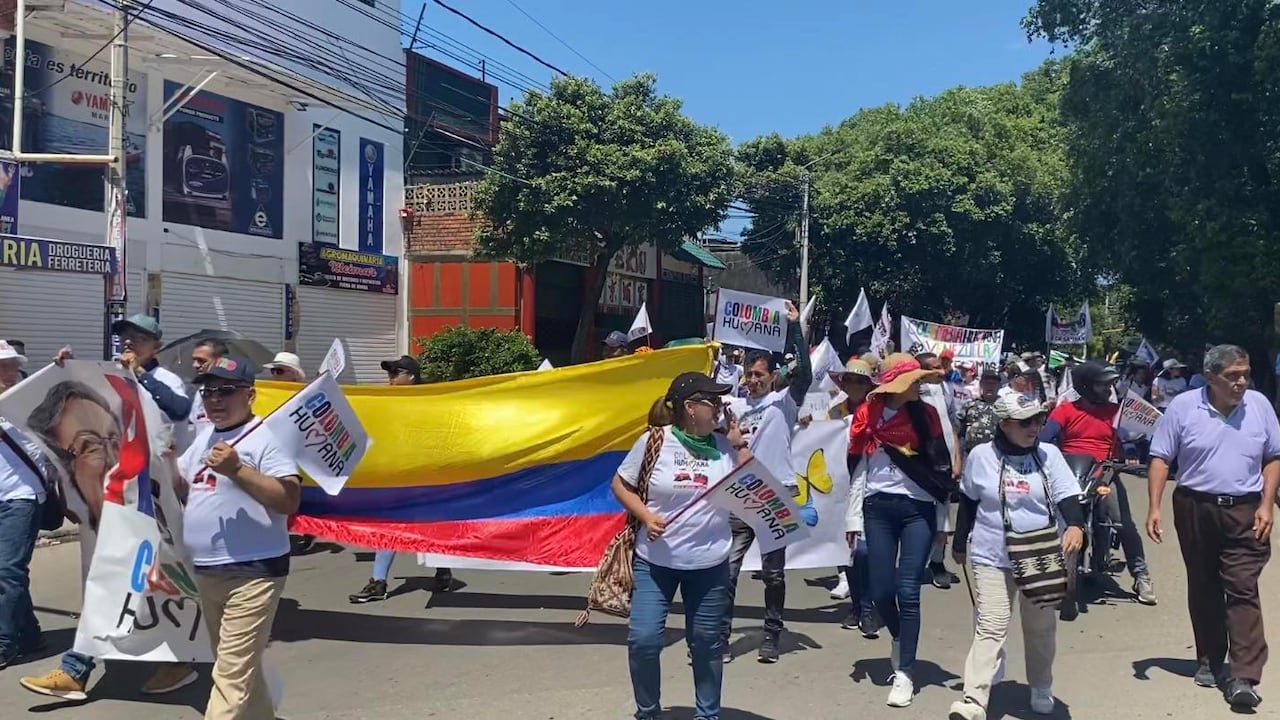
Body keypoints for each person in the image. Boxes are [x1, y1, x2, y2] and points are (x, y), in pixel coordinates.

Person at [1145, 344, 1280, 709]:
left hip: (1245, 510)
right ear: (1210, 377)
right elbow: (1161, 457)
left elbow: (1272, 457)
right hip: (1194, 506)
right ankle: (1209, 657)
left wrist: (1267, 504)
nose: (1241, 382)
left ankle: (1244, 676)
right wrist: (1154, 506)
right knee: (1203, 583)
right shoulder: (1184, 407)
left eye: (1245, 374)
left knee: (1241, 587)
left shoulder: (1260, 406)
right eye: (1232, 375)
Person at [615, 371, 749, 720]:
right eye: (713, 401)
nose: (720, 408)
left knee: (706, 645)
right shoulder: (653, 441)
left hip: (709, 565)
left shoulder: (724, 445)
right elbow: (620, 484)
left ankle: (707, 715)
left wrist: (739, 444)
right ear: (690, 407)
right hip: (654, 562)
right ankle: (648, 713)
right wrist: (646, 516)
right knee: (643, 640)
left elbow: (753, 488)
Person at [173, 355, 299, 718]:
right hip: (207, 571)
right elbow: (182, 485)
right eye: (208, 390)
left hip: (254, 573)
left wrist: (237, 470)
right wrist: (164, 460)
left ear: (250, 395)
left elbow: (288, 499)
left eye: (226, 391)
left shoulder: (266, 438)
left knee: (229, 676)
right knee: (239, 668)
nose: (215, 399)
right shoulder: (205, 437)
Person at [948, 392, 1086, 720]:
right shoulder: (981, 456)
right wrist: (958, 542)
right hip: (991, 553)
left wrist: (1076, 526)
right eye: (1026, 422)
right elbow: (968, 501)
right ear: (1005, 424)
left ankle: (1040, 685)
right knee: (991, 624)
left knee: (1040, 627)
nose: (1035, 427)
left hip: (1040, 553)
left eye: (1039, 420)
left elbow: (1068, 495)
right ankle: (974, 699)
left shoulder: (1049, 455)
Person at [845, 353, 949, 707]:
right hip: (877, 509)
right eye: (915, 380)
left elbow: (940, 472)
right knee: (878, 590)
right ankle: (900, 638)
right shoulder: (866, 415)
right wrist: (851, 519)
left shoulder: (927, 415)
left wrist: (944, 524)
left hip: (918, 510)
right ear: (897, 384)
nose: (920, 385)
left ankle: (904, 671)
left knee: (908, 591)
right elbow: (857, 468)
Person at [722, 300, 811, 664]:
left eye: (760, 374)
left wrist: (794, 329)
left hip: (776, 493)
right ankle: (721, 637)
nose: (754, 380)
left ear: (772, 375)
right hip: (741, 495)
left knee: (773, 574)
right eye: (749, 374)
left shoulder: (783, 402)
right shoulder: (735, 408)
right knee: (726, 571)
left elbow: (803, 374)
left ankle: (771, 635)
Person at [1041, 361, 1157, 609]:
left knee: (1122, 523)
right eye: (1102, 384)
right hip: (1067, 473)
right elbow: (1044, 438)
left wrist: (1130, 452)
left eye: (1109, 384)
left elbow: (1130, 436)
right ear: (1085, 386)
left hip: (1105, 473)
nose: (1107, 388)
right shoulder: (1064, 411)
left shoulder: (1117, 412)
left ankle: (1141, 577)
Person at [350, 356, 451, 602]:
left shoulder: (430, 402)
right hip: (397, 476)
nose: (391, 379)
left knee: (430, 528)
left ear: (411, 377)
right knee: (389, 525)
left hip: (426, 476)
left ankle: (443, 568)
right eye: (390, 374)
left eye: (396, 374)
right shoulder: (388, 402)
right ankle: (379, 582)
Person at [0, 340, 44, 670]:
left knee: (7, 571)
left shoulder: (26, 402)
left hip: (22, 497)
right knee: (9, 572)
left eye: (12, 366)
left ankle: (5, 642)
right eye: (3, 366)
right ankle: (30, 636)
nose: (10, 373)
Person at [828, 358, 880, 637]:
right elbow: (822, 444)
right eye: (850, 380)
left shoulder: (877, 412)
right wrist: (808, 424)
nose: (855, 385)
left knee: (865, 551)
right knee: (849, 552)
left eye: (861, 380)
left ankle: (868, 606)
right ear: (843, 383)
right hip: (842, 488)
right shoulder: (834, 413)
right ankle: (857, 606)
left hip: (872, 487)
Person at [915, 352, 962, 590]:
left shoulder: (946, 390)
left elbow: (952, 427)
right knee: (921, 518)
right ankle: (915, 565)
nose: (941, 372)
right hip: (919, 464)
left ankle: (937, 562)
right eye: (934, 368)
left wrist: (957, 459)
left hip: (943, 462)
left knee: (943, 522)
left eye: (941, 367)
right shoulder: (911, 394)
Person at [110, 314, 192, 423]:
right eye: (124, 337)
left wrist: (140, 372)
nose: (128, 342)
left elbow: (180, 411)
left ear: (156, 347)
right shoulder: (116, 377)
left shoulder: (167, 378)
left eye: (137, 338)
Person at [958, 369, 1002, 454]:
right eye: (987, 383)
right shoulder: (970, 404)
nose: (990, 387)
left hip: (996, 455)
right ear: (981, 385)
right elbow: (959, 431)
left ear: (999, 386)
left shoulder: (1005, 406)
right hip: (970, 453)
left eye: (993, 384)